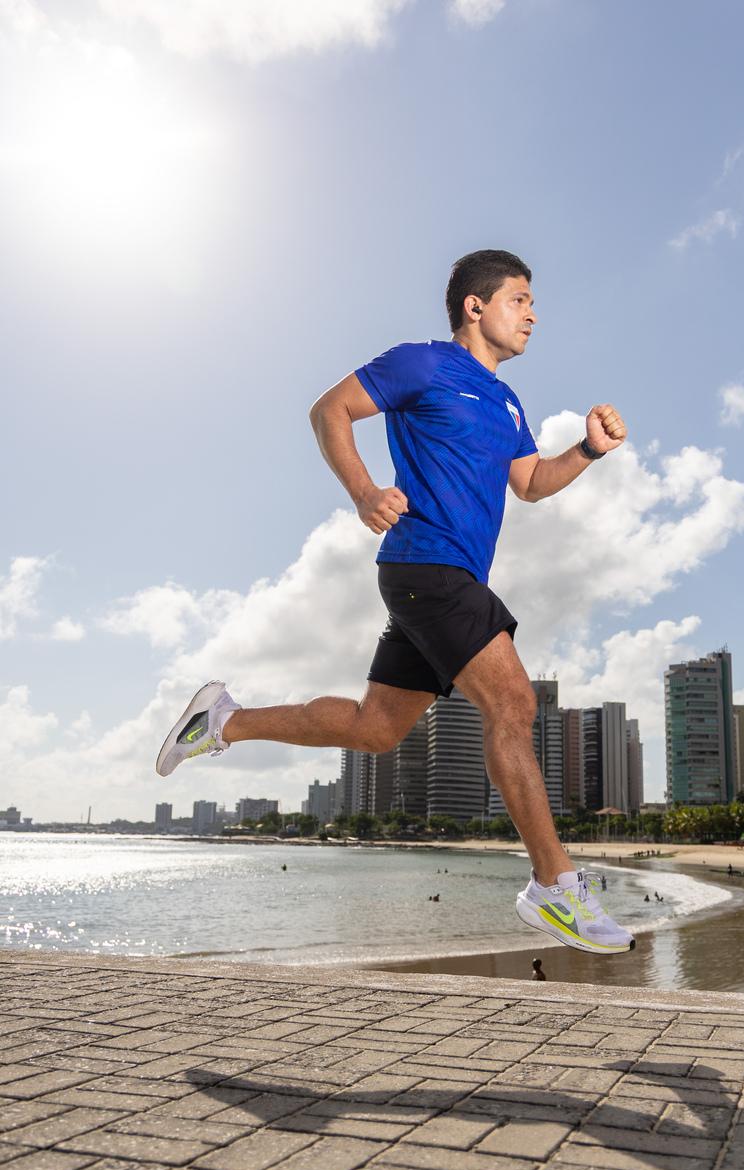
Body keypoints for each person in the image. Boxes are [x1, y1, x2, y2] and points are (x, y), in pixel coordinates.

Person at [155, 249, 634, 957]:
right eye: (519, 299)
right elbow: (331, 410)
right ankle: (553, 886)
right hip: (426, 566)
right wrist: (364, 493)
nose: (532, 314)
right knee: (513, 706)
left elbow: (529, 484)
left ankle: (224, 719)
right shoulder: (423, 364)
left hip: (438, 577)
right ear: (476, 306)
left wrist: (586, 451)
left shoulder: (507, 402)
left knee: (375, 729)